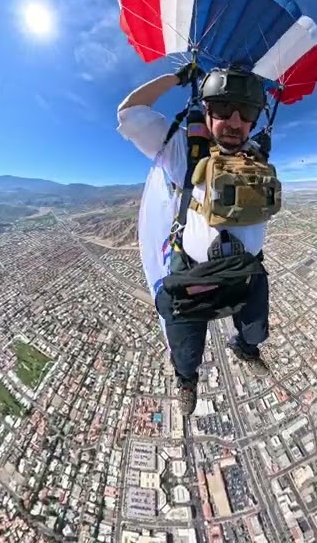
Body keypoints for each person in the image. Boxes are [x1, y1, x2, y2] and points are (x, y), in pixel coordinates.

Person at [116, 63, 276, 416]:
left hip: (246, 271)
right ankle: (186, 379)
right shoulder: (183, 151)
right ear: (206, 110)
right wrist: (178, 78)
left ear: (255, 120)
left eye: (246, 112)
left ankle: (245, 348)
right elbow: (129, 113)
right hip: (194, 275)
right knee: (186, 350)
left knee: (255, 331)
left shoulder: (257, 157)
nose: (235, 121)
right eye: (223, 108)